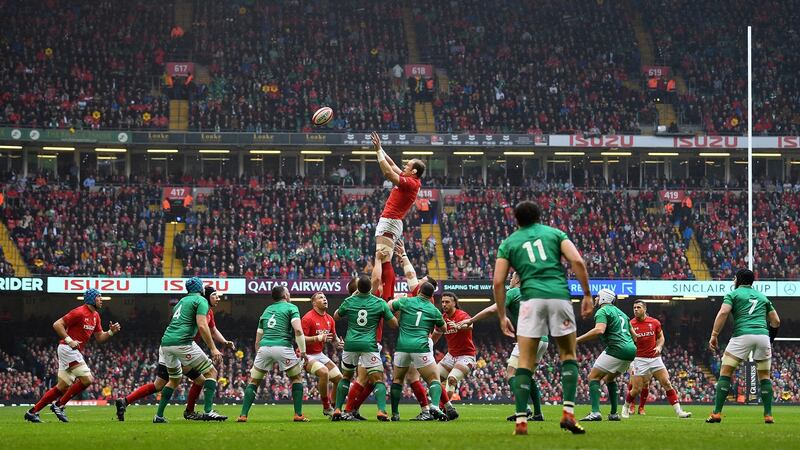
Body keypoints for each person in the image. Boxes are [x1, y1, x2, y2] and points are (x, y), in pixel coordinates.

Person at [492, 200, 593, 435]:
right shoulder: (555, 234)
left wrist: (501, 315)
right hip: (558, 296)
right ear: (539, 216)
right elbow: (577, 260)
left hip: (530, 301)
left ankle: (520, 421)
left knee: (524, 362)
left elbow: (498, 282)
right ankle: (568, 413)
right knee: (568, 354)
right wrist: (587, 294)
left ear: (516, 220)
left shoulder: (509, 243)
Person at [116, 285, 233, 421]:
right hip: (182, 346)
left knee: (160, 384)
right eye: (215, 295)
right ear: (205, 296)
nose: (218, 298)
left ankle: (126, 402)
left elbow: (213, 330)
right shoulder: (199, 305)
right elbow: (202, 326)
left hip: (170, 345)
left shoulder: (203, 310)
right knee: (203, 377)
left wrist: (224, 342)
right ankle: (194, 411)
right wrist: (213, 348)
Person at [25, 289, 121, 423]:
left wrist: (111, 332)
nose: (101, 299)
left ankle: (32, 412)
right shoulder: (79, 312)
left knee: (61, 387)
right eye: (99, 297)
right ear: (92, 299)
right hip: (68, 349)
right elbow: (57, 324)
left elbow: (99, 338)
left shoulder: (96, 316)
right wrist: (70, 340)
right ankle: (59, 405)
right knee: (87, 380)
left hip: (70, 351)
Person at [462, 272, 547, 422]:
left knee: (511, 373)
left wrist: (471, 320)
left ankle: (523, 408)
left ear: (518, 279)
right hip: (543, 339)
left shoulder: (514, 292)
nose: (510, 280)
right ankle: (538, 414)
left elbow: (492, 309)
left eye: (513, 277)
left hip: (528, 337)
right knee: (529, 376)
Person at [707, 269, 780, 424]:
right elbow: (776, 321)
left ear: (738, 280)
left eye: (734, 278)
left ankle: (716, 413)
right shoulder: (762, 297)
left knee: (726, 372)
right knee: (764, 376)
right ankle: (768, 415)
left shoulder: (733, 295)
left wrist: (714, 335)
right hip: (762, 335)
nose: (733, 281)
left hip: (742, 335)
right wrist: (770, 339)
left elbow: (723, 312)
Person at [152, 277, 225, 423]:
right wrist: (213, 348)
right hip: (183, 342)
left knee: (173, 380)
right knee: (211, 372)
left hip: (166, 342)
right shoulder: (201, 301)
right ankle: (209, 411)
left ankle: (158, 416)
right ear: (201, 289)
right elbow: (203, 325)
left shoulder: (180, 302)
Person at [238, 285, 309, 422]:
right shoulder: (291, 308)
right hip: (283, 347)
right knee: (296, 378)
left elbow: (258, 337)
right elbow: (298, 331)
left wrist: (260, 352)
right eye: (288, 291)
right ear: (285, 295)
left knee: (254, 381)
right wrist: (303, 352)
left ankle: (243, 415)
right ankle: (298, 414)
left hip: (264, 347)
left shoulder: (267, 310)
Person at [332, 275, 397, 421]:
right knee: (378, 379)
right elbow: (394, 324)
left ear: (357, 289)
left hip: (350, 345)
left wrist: (350, 298)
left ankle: (337, 409)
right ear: (371, 288)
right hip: (369, 345)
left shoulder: (349, 301)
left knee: (346, 377)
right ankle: (381, 411)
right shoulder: (379, 303)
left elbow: (336, 316)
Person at [369, 131, 424, 298]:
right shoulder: (410, 179)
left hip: (390, 221)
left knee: (383, 258)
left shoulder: (411, 183)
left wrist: (378, 152)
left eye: (408, 165)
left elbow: (388, 173)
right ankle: (387, 294)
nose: (404, 166)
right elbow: (392, 165)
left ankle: (387, 296)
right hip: (391, 221)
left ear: (414, 171)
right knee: (385, 260)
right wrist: (380, 148)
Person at [388, 282, 448, 421]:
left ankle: (395, 414)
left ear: (419, 290)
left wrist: (396, 300)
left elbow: (388, 306)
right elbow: (443, 328)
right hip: (421, 348)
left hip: (402, 347)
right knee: (434, 379)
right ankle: (434, 406)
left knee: (397, 380)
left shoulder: (406, 301)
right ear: (432, 295)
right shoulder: (433, 310)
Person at [623, 300, 691, 419]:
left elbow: (661, 337)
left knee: (667, 383)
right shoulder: (631, 324)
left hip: (655, 358)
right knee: (636, 389)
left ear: (644, 309)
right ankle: (625, 407)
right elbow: (627, 341)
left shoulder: (654, 322)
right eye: (634, 307)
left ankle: (679, 411)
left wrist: (659, 346)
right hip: (639, 359)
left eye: (638, 307)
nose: (635, 310)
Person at [576, 289, 636, 422]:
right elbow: (635, 336)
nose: (596, 299)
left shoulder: (602, 311)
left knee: (593, 377)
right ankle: (614, 413)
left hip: (617, 348)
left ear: (603, 298)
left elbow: (599, 330)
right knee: (609, 379)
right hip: (631, 350)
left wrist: (577, 340)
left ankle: (595, 412)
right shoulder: (623, 314)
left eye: (597, 297)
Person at [434, 291, 476, 421]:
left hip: (466, 356)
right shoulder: (442, 318)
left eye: (447, 302)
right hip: (451, 355)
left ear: (454, 303)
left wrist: (458, 326)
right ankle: (441, 408)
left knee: (451, 379)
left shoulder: (461, 315)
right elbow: (435, 335)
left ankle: (442, 408)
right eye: (443, 302)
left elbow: (470, 325)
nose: (444, 304)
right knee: (434, 379)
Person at [301, 292, 344, 416]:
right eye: (321, 298)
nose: (325, 299)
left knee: (340, 379)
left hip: (319, 354)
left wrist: (339, 344)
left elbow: (334, 339)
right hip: (305, 354)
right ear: (314, 303)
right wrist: (317, 338)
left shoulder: (330, 319)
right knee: (324, 372)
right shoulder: (308, 318)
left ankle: (335, 408)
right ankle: (326, 407)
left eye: (325, 298)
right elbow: (300, 338)